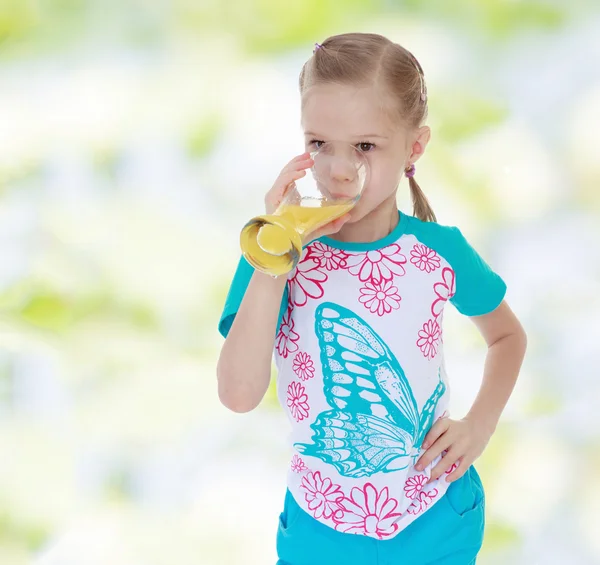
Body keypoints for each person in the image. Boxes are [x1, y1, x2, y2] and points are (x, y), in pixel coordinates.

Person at [216, 32, 527, 565]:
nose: (339, 171)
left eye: (364, 147)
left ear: (415, 147)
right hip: (319, 528)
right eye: (319, 144)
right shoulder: (273, 255)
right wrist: (276, 254)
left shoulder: (439, 251)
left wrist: (479, 424)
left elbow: (506, 335)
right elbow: (239, 395)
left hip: (434, 519)